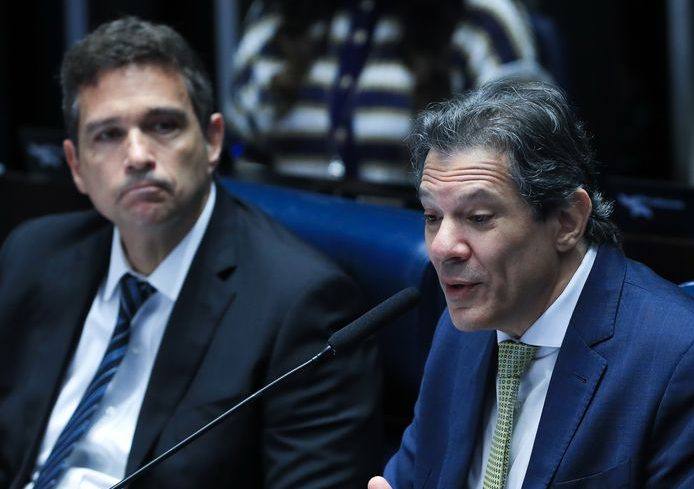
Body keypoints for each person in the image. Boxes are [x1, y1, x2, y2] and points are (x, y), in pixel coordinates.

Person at [0, 17, 382, 489]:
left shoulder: (302, 304)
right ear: (76, 165)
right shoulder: (35, 255)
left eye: (162, 126)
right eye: (108, 135)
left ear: (212, 140)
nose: (137, 156)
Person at [369, 80, 694, 488]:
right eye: (432, 217)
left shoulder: (676, 358)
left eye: (479, 218)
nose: (442, 247)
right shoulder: (460, 330)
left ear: (567, 221)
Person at [227, 0, 550, 187]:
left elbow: (525, 160)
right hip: (291, 246)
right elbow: (241, 151)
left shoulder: (483, 17)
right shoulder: (275, 14)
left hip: (427, 256)